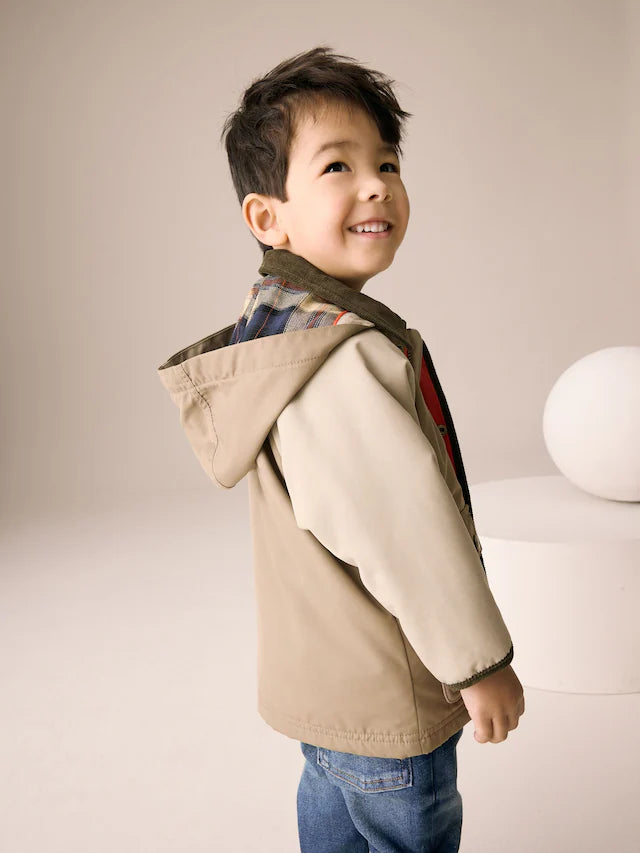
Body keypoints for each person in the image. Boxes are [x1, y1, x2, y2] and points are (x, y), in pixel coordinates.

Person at [156, 45, 525, 853]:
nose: (376, 185)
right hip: (387, 697)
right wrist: (479, 662)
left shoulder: (277, 336)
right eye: (337, 166)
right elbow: (403, 529)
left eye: (386, 162)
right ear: (268, 218)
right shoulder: (335, 359)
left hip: (327, 695)